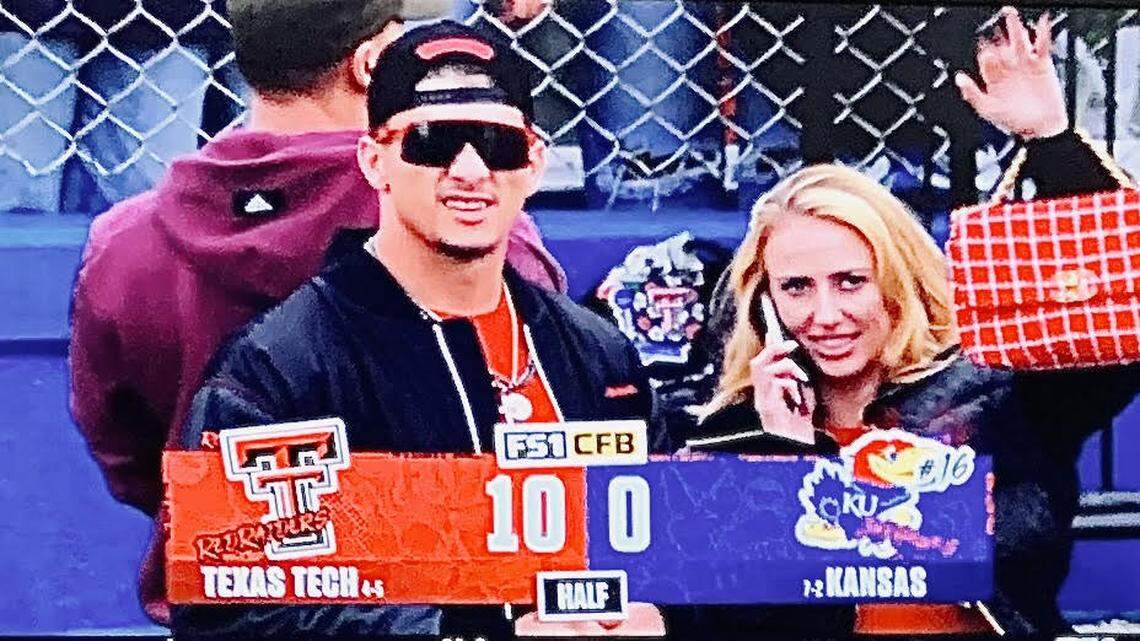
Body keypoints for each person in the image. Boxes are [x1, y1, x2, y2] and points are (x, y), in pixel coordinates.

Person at [67, 0, 569, 625]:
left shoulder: (124, 242)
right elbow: (547, 430)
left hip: (234, 603)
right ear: (370, 64)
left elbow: (129, 456)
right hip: (451, 610)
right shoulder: (472, 228)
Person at [175, 20, 668, 637]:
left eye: (498, 143)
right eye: (433, 142)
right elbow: (226, 607)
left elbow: (673, 552)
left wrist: (661, 614)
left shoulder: (598, 354)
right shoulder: (280, 365)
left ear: (534, 164)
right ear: (373, 160)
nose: (470, 169)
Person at [690, 8, 1138, 636]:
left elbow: (1109, 323)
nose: (826, 315)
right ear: (764, 301)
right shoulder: (725, 435)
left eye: (852, 282)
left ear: (897, 281)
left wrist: (1052, 144)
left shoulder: (999, 394)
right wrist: (785, 459)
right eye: (796, 287)